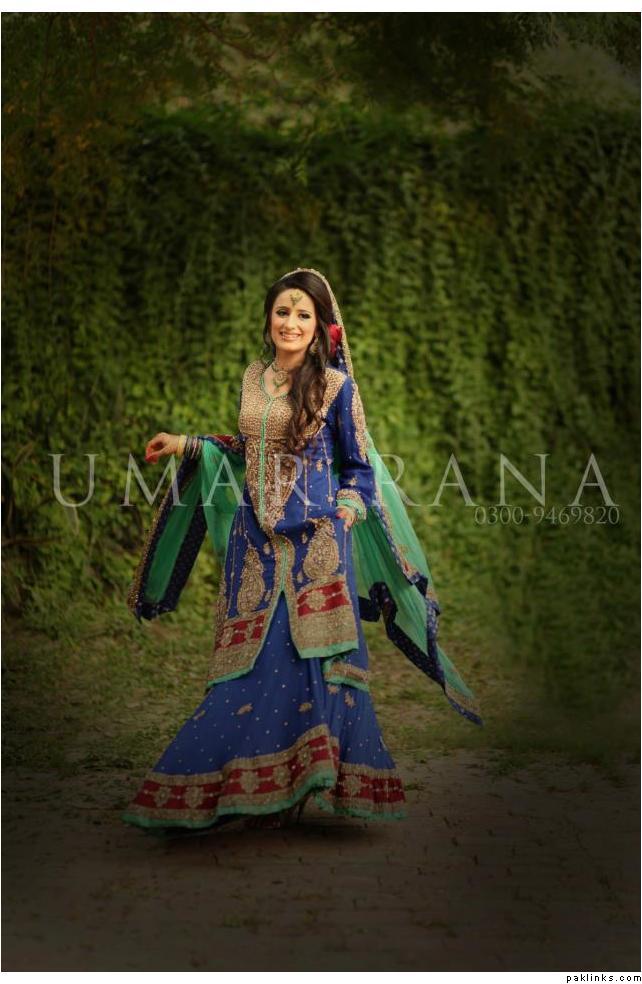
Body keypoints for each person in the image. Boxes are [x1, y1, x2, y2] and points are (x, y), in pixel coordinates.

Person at [121, 266, 482, 834]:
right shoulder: (253, 378)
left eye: (303, 315)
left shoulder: (336, 389)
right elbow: (248, 446)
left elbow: (358, 469)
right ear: (269, 319)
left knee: (314, 669)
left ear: (320, 328)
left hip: (316, 547)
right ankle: (237, 787)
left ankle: (299, 783)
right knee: (244, 671)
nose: (290, 323)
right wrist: (186, 444)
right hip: (254, 547)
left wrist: (345, 512)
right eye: (283, 312)